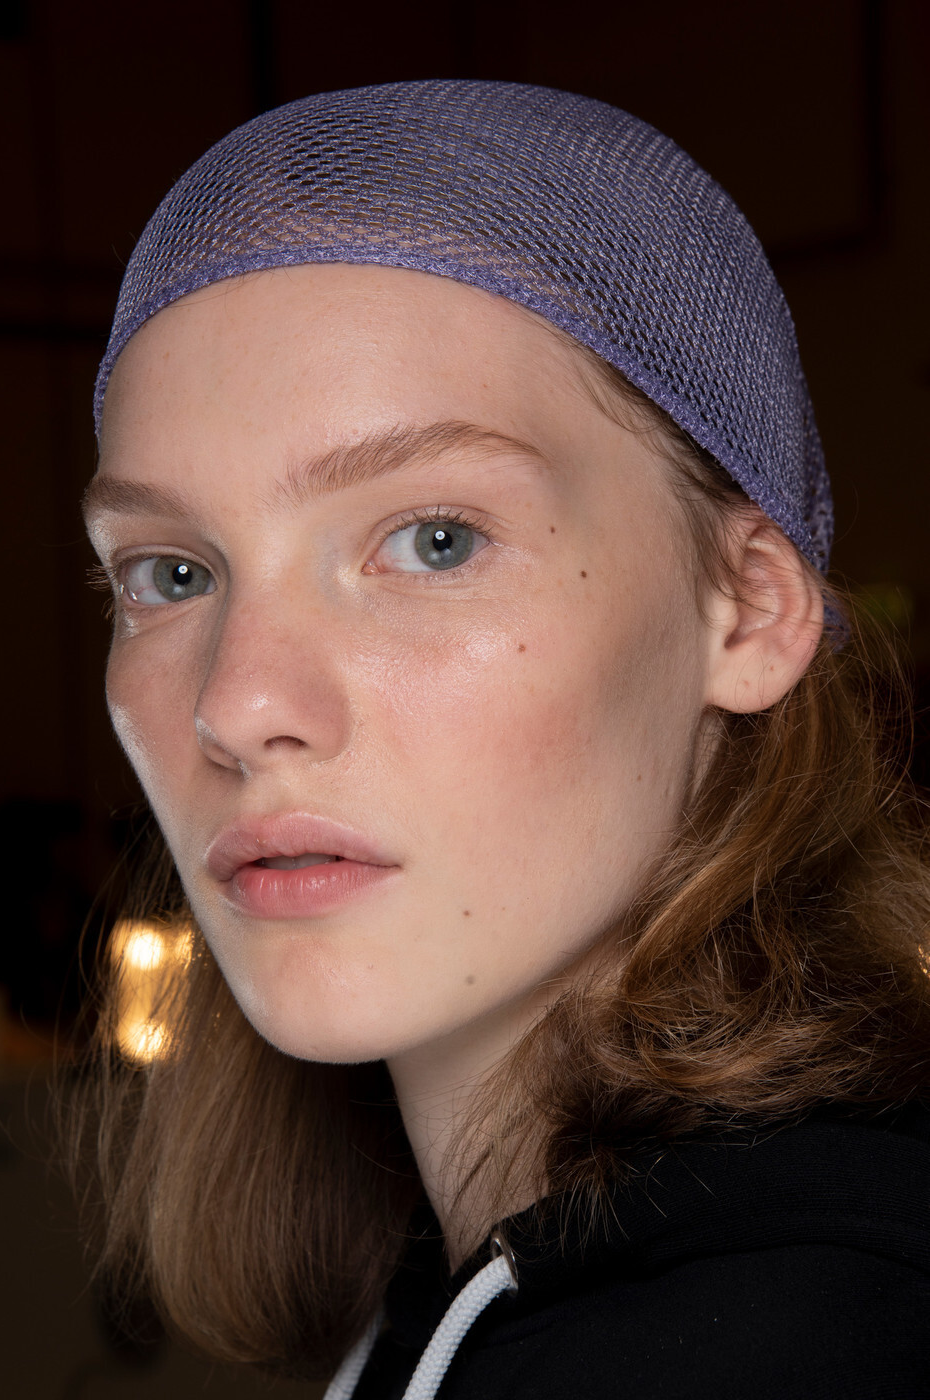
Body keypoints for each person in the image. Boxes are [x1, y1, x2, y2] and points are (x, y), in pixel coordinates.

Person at [73, 81, 930, 1398]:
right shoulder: (478, 1292)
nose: (236, 705)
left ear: (748, 608)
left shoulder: (799, 1340)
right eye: (172, 575)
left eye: (434, 541)